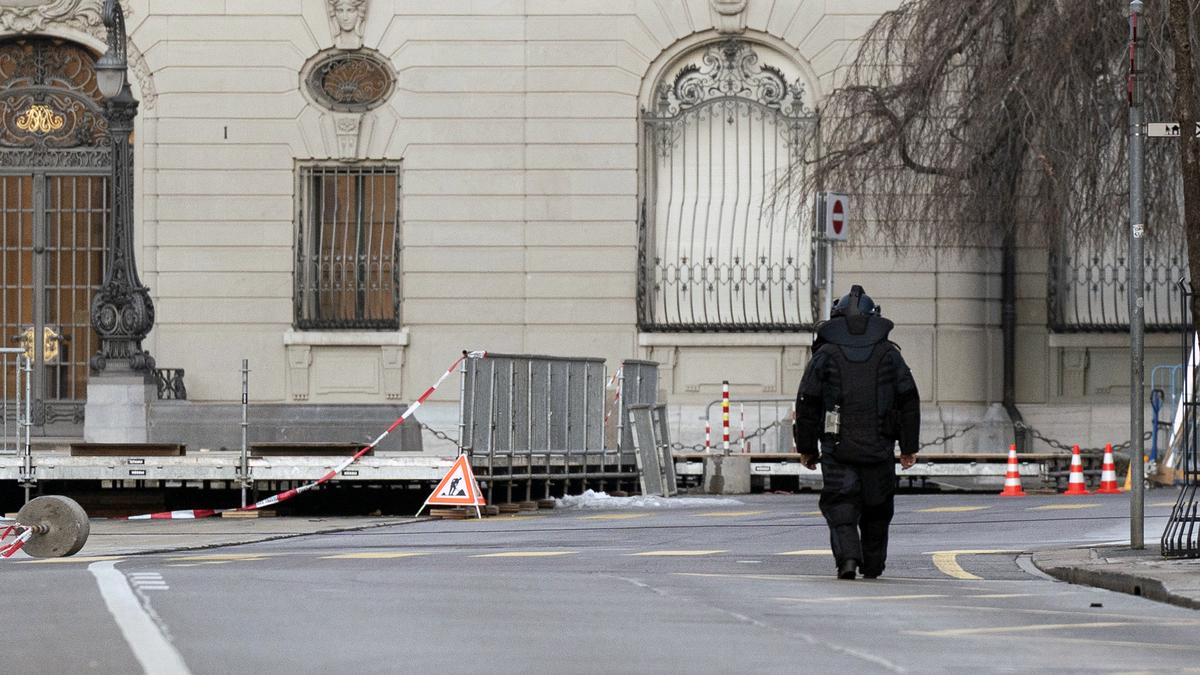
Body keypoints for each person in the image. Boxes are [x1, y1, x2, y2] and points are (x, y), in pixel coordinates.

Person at [793, 285, 920, 580]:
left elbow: (807, 401)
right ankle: (873, 565)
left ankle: (848, 560)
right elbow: (908, 399)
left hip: (838, 447)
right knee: (878, 506)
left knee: (841, 504)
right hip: (879, 446)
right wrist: (909, 446)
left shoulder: (825, 354)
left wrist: (807, 447)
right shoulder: (890, 354)